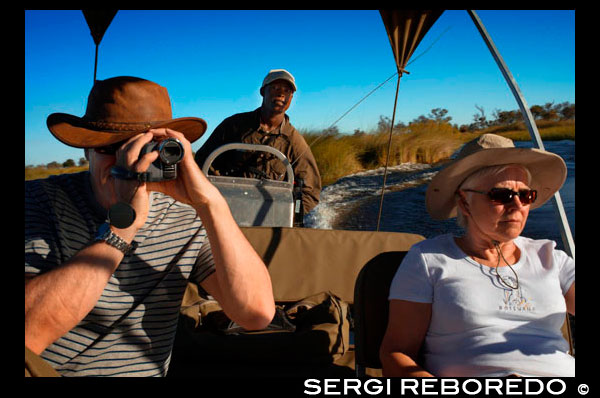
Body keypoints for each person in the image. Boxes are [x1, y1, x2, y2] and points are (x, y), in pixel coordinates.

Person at [25, 76, 275, 377]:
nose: (128, 159)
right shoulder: (40, 201)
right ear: (86, 150)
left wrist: (212, 204)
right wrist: (123, 226)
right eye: (109, 147)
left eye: (145, 147)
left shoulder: (186, 216)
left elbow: (255, 314)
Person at [379, 134, 575, 377]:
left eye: (526, 195)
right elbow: (396, 353)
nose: (517, 205)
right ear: (464, 202)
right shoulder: (429, 259)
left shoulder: (551, 257)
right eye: (501, 195)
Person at [194, 69, 321, 214]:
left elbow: (310, 192)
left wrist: (288, 216)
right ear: (263, 92)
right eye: (275, 88)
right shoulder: (233, 125)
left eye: (287, 90)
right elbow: (201, 162)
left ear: (291, 97)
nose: (280, 94)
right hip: (226, 209)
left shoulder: (294, 141)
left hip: (269, 215)